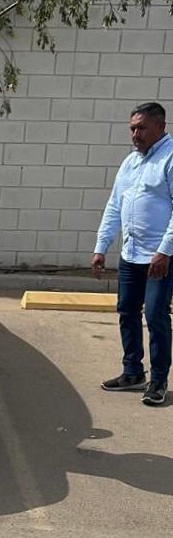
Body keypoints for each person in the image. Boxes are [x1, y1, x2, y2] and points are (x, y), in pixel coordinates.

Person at [92, 102, 173, 406]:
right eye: (132, 128)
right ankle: (132, 372)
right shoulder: (130, 163)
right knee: (127, 310)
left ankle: (159, 379)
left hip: (161, 257)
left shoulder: (170, 158)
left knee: (155, 314)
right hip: (131, 255)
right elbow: (115, 206)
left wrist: (164, 251)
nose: (135, 134)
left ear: (160, 126)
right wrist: (102, 247)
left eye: (141, 128)